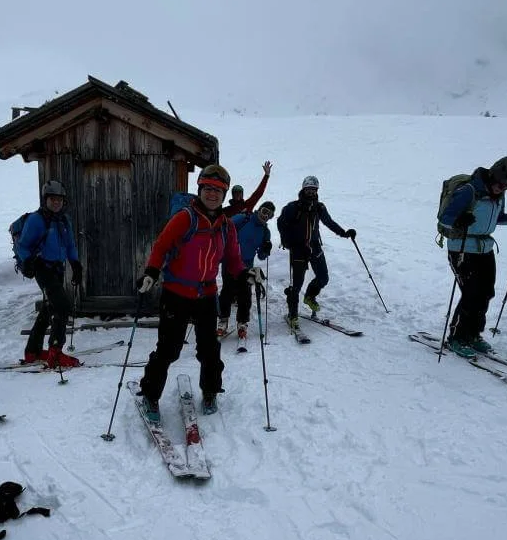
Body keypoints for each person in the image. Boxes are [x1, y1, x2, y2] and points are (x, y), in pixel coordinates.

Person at [136, 164, 258, 417]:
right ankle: (150, 394)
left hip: (207, 295)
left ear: (224, 195)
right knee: (168, 349)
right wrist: (151, 273)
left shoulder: (227, 226)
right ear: (200, 189)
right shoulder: (184, 218)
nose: (212, 194)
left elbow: (234, 260)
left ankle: (211, 390)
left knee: (209, 349)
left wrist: (246, 273)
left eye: (218, 190)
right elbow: (161, 246)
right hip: (176, 293)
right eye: (208, 189)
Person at [436, 156, 507, 356]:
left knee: (486, 293)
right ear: (492, 176)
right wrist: (459, 221)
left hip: (485, 248)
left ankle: (473, 335)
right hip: (462, 248)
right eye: (501, 184)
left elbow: (497, 218)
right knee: (471, 294)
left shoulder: (497, 196)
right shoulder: (468, 191)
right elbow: (444, 219)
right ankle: (457, 337)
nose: (503, 189)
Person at [16, 180, 83, 369]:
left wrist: (76, 264)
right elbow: (23, 245)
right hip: (42, 268)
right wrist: (28, 261)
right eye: (52, 199)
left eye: (60, 199)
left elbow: (70, 245)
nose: (56, 203)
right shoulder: (37, 220)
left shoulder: (64, 220)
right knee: (62, 306)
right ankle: (55, 351)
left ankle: (32, 351)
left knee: (48, 308)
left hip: (58, 269)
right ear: (45, 200)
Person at [276, 176, 355, 330]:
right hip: (299, 249)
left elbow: (329, 222)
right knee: (296, 284)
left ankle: (310, 296)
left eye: (314, 189)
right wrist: (289, 243)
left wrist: (344, 233)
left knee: (323, 278)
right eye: (308, 189)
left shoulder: (319, 207)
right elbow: (281, 223)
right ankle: (293, 314)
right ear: (303, 189)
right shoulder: (293, 207)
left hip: (315, 247)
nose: (311, 192)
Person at [218, 201, 275, 341]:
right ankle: (223, 321)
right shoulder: (244, 218)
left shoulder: (265, 232)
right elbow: (224, 227)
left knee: (245, 294)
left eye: (269, 214)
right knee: (227, 291)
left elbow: (261, 256)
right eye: (264, 210)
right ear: (259, 209)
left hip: (247, 265)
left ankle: (242, 322)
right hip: (229, 260)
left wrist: (266, 248)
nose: (265, 215)